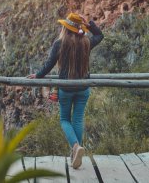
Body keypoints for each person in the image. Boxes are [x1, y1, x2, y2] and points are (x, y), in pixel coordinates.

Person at [27, 12, 103, 169]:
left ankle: (75, 147)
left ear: (66, 28)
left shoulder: (59, 43)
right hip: (83, 88)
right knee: (78, 119)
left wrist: (38, 75)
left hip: (66, 89)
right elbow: (100, 35)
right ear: (79, 28)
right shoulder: (86, 42)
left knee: (64, 120)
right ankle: (76, 153)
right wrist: (89, 24)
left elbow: (48, 64)